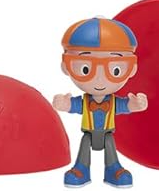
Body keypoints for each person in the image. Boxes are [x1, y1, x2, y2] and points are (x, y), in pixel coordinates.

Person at [52, 17, 148, 186]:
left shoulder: (113, 101)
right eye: (86, 69)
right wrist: (63, 104)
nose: (99, 78)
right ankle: (81, 168)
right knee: (85, 144)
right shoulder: (85, 101)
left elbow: (124, 105)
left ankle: (113, 168)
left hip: (107, 133)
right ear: (66, 67)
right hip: (88, 133)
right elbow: (74, 105)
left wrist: (136, 104)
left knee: (110, 145)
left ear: (132, 69)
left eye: (115, 70)